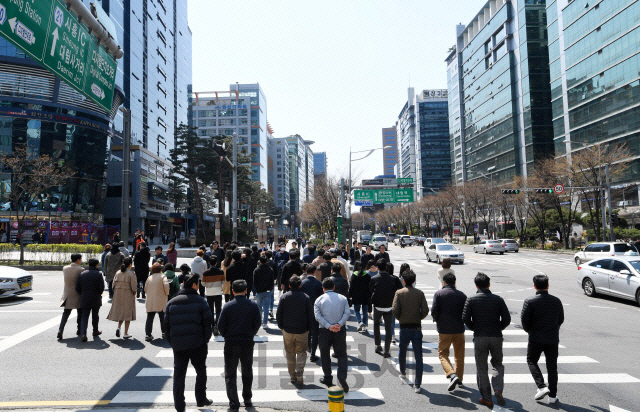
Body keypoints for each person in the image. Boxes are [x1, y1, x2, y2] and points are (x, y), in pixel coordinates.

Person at [164, 273, 213, 412]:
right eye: (198, 284)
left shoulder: (172, 302)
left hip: (179, 345)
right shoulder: (201, 301)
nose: (198, 286)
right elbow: (208, 323)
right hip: (198, 344)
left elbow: (166, 326)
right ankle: (201, 399)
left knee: (179, 374)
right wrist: (205, 340)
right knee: (201, 371)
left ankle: (179, 405)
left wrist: (172, 341)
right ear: (193, 285)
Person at [463, 272, 511, 408]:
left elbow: (465, 318)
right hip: (496, 336)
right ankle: (497, 389)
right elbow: (507, 319)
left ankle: (487, 398)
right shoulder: (498, 299)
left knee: (481, 367)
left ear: (476, 285)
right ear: (489, 284)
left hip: (480, 337)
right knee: (497, 364)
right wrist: (499, 328)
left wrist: (474, 328)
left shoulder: (471, 299)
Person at [218, 280, 261, 411]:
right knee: (247, 370)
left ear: (232, 291)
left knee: (230, 374)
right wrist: (251, 333)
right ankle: (247, 398)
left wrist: (226, 335)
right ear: (246, 290)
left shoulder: (228, 306)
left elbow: (220, 326)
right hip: (247, 342)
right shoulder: (253, 305)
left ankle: (234, 403)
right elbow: (257, 323)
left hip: (231, 343)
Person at [521, 275, 564, 404]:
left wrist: (531, 331)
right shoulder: (557, 301)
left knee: (531, 360)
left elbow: (524, 322)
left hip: (535, 338)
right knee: (552, 367)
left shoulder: (530, 301)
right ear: (548, 286)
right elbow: (561, 319)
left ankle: (541, 386)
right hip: (552, 338)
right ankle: (553, 396)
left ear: (534, 286)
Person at [392, 270, 430, 393]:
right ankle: (417, 384)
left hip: (404, 326)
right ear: (414, 281)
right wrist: (418, 317)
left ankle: (403, 372)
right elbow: (425, 310)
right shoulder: (419, 293)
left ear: (403, 280)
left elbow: (395, 310)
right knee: (418, 356)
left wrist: (401, 318)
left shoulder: (399, 292)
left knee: (402, 351)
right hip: (416, 327)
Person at [431, 272, 468, 392]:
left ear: (444, 282)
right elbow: (466, 313)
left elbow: (434, 311)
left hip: (444, 329)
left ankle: (452, 374)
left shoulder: (439, 294)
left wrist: (438, 321)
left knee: (442, 354)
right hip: (459, 329)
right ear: (455, 283)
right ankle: (460, 379)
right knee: (459, 355)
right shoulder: (462, 295)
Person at [314, 277, 351, 392]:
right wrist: (339, 324)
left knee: (325, 355)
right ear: (334, 287)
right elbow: (347, 312)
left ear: (323, 288)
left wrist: (328, 325)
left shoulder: (319, 300)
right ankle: (341, 376)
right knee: (341, 354)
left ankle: (328, 378)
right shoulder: (343, 298)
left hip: (325, 330)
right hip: (340, 330)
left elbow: (317, 316)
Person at [277, 275, 314, 387]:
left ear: (289, 285)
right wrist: (309, 328)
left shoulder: (284, 297)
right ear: (300, 285)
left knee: (290, 353)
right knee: (302, 352)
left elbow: (279, 313)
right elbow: (310, 315)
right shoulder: (306, 297)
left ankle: (292, 376)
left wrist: (281, 326)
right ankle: (299, 370)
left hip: (287, 329)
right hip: (302, 330)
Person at [369, 258, 403, 358]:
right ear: (386, 267)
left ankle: (378, 345)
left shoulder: (374, 279)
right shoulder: (393, 279)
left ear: (377, 268)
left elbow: (371, 290)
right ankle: (387, 351)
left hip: (378, 306)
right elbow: (399, 290)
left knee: (376, 325)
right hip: (389, 306)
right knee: (388, 328)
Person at [107, 257, 137, 339]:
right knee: (127, 314)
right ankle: (125, 333)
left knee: (121, 313)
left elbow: (113, 285)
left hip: (118, 296)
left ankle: (118, 327)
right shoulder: (131, 274)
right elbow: (134, 287)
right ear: (130, 264)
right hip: (128, 296)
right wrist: (134, 293)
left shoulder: (118, 272)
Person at [75, 258, 105, 342]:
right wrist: (98, 293)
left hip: (84, 297)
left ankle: (83, 333)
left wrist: (82, 293)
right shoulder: (98, 274)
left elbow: (77, 287)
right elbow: (101, 288)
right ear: (96, 265)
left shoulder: (82, 274)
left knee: (84, 315)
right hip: (96, 297)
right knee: (95, 315)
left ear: (88, 264)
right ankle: (95, 331)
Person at [58, 254, 84, 340]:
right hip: (77, 294)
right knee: (80, 313)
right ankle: (79, 330)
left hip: (67, 294)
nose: (81, 260)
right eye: (80, 259)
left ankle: (60, 330)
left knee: (66, 313)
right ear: (77, 260)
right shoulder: (81, 269)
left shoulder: (65, 268)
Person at [301, 264, 323, 362]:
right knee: (315, 333)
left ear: (306, 271)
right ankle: (313, 354)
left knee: (306, 332)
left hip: (304, 310)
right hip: (315, 310)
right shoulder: (319, 284)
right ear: (314, 272)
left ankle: (307, 349)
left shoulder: (302, 283)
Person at [144, 263, 170, 341]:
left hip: (151, 300)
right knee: (162, 317)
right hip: (161, 300)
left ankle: (148, 335)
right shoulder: (163, 277)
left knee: (150, 318)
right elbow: (166, 286)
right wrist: (167, 293)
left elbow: (145, 289)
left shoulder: (149, 278)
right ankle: (164, 332)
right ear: (160, 269)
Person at [202, 255, 225, 335]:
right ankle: (218, 325)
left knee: (211, 310)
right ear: (216, 263)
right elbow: (223, 282)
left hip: (209, 293)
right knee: (218, 310)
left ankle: (212, 325)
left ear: (209, 263)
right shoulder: (221, 272)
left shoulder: (205, 273)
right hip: (218, 292)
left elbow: (203, 284)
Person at [349, 261, 371, 333]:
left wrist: (349, 295)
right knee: (365, 311)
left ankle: (359, 322)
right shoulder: (367, 275)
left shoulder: (354, 275)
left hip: (356, 296)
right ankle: (365, 326)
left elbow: (351, 287)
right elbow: (370, 287)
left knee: (356, 310)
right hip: (366, 296)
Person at [253, 255, 275, 328]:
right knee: (266, 307)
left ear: (259, 261)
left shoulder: (256, 270)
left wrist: (256, 288)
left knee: (259, 307)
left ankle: (260, 321)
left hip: (259, 291)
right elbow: (272, 281)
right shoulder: (270, 269)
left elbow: (255, 281)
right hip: (268, 290)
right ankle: (265, 323)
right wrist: (270, 288)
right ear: (266, 261)